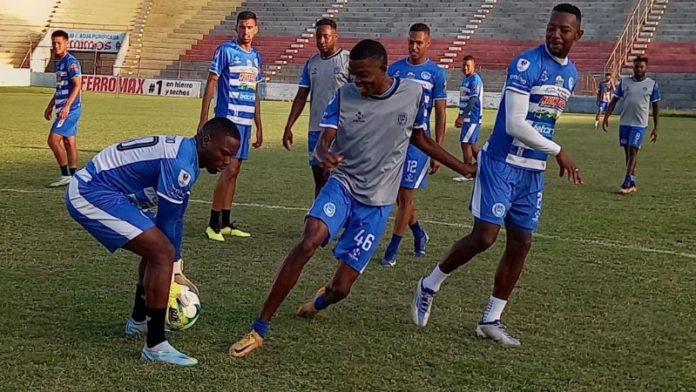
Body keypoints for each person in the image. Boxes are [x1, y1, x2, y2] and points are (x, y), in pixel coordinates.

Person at [228, 39, 476, 357]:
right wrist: (323, 154)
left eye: (364, 76)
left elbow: (420, 137)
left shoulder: (412, 94)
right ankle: (259, 328)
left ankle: (319, 301)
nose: (358, 82)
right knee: (309, 240)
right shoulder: (345, 95)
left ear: (384, 69)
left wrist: (463, 167)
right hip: (343, 185)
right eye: (354, 76)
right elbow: (324, 139)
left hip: (378, 201)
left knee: (340, 290)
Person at [411, 3, 584, 346]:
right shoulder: (526, 64)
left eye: (564, 30)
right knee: (485, 237)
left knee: (521, 243)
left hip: (532, 171)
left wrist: (546, 153)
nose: (556, 34)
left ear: (577, 35)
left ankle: (491, 319)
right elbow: (516, 124)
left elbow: (543, 120)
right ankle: (428, 284)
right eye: (552, 27)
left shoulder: (572, 75)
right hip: (502, 162)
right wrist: (558, 150)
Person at [65, 118, 241, 366]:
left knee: (159, 249)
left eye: (231, 156)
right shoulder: (181, 163)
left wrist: (176, 265)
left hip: (108, 191)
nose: (227, 162)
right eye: (224, 153)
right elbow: (168, 224)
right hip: (92, 192)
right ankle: (156, 345)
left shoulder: (187, 155)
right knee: (161, 251)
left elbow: (177, 217)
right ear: (206, 140)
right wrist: (174, 268)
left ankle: (138, 321)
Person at [380, 23, 448, 267]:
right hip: (394, 142)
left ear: (428, 43)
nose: (414, 46)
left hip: (419, 144)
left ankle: (392, 249)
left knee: (406, 196)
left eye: (419, 42)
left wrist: (437, 151)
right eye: (411, 41)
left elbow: (440, 114)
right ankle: (419, 233)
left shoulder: (436, 74)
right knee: (401, 198)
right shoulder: (395, 70)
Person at [199, 11, 264, 241]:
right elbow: (211, 83)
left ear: (256, 29)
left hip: (245, 122)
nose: (246, 31)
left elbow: (255, 93)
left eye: (249, 27)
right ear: (236, 28)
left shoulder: (257, 57)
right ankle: (212, 224)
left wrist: (259, 125)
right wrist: (203, 119)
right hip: (228, 121)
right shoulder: (225, 51)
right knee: (228, 170)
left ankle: (225, 222)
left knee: (235, 172)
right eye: (242, 27)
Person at [282, 18, 351, 197]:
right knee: (319, 178)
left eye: (326, 37)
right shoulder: (311, 63)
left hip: (339, 130)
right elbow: (301, 96)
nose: (321, 41)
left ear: (336, 36)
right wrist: (289, 126)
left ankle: (337, 220)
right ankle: (318, 220)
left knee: (336, 178)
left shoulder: (348, 61)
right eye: (318, 37)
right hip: (315, 130)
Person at [602, 56, 660, 194]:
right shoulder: (624, 82)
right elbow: (614, 101)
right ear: (633, 68)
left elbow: (656, 106)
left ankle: (626, 182)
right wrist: (606, 117)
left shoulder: (652, 84)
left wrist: (656, 127)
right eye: (636, 67)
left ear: (646, 68)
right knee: (628, 153)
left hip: (639, 124)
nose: (638, 69)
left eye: (641, 67)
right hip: (625, 122)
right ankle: (632, 181)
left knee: (633, 150)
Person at [44, 30, 82, 188]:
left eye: (59, 42)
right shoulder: (59, 62)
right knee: (68, 142)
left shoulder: (70, 61)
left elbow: (78, 85)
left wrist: (66, 106)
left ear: (67, 43)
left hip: (71, 109)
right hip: (63, 108)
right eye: (54, 43)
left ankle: (65, 175)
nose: (56, 45)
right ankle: (73, 176)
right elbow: (60, 88)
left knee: (53, 140)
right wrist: (50, 105)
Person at [453, 55, 484, 182]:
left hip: (472, 117)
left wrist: (462, 116)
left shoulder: (475, 80)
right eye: (464, 65)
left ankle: (467, 173)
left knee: (465, 144)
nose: (465, 68)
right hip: (468, 117)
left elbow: (473, 99)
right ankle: (486, 166)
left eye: (468, 65)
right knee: (471, 145)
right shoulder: (466, 79)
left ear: (474, 66)